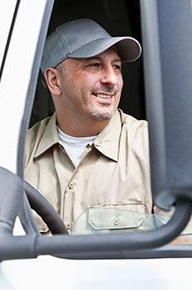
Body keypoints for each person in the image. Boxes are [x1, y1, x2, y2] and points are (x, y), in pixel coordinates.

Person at [24, 18, 153, 234]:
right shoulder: (14, 154)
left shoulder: (154, 147)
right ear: (54, 81)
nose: (112, 79)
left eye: (117, 67)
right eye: (95, 65)